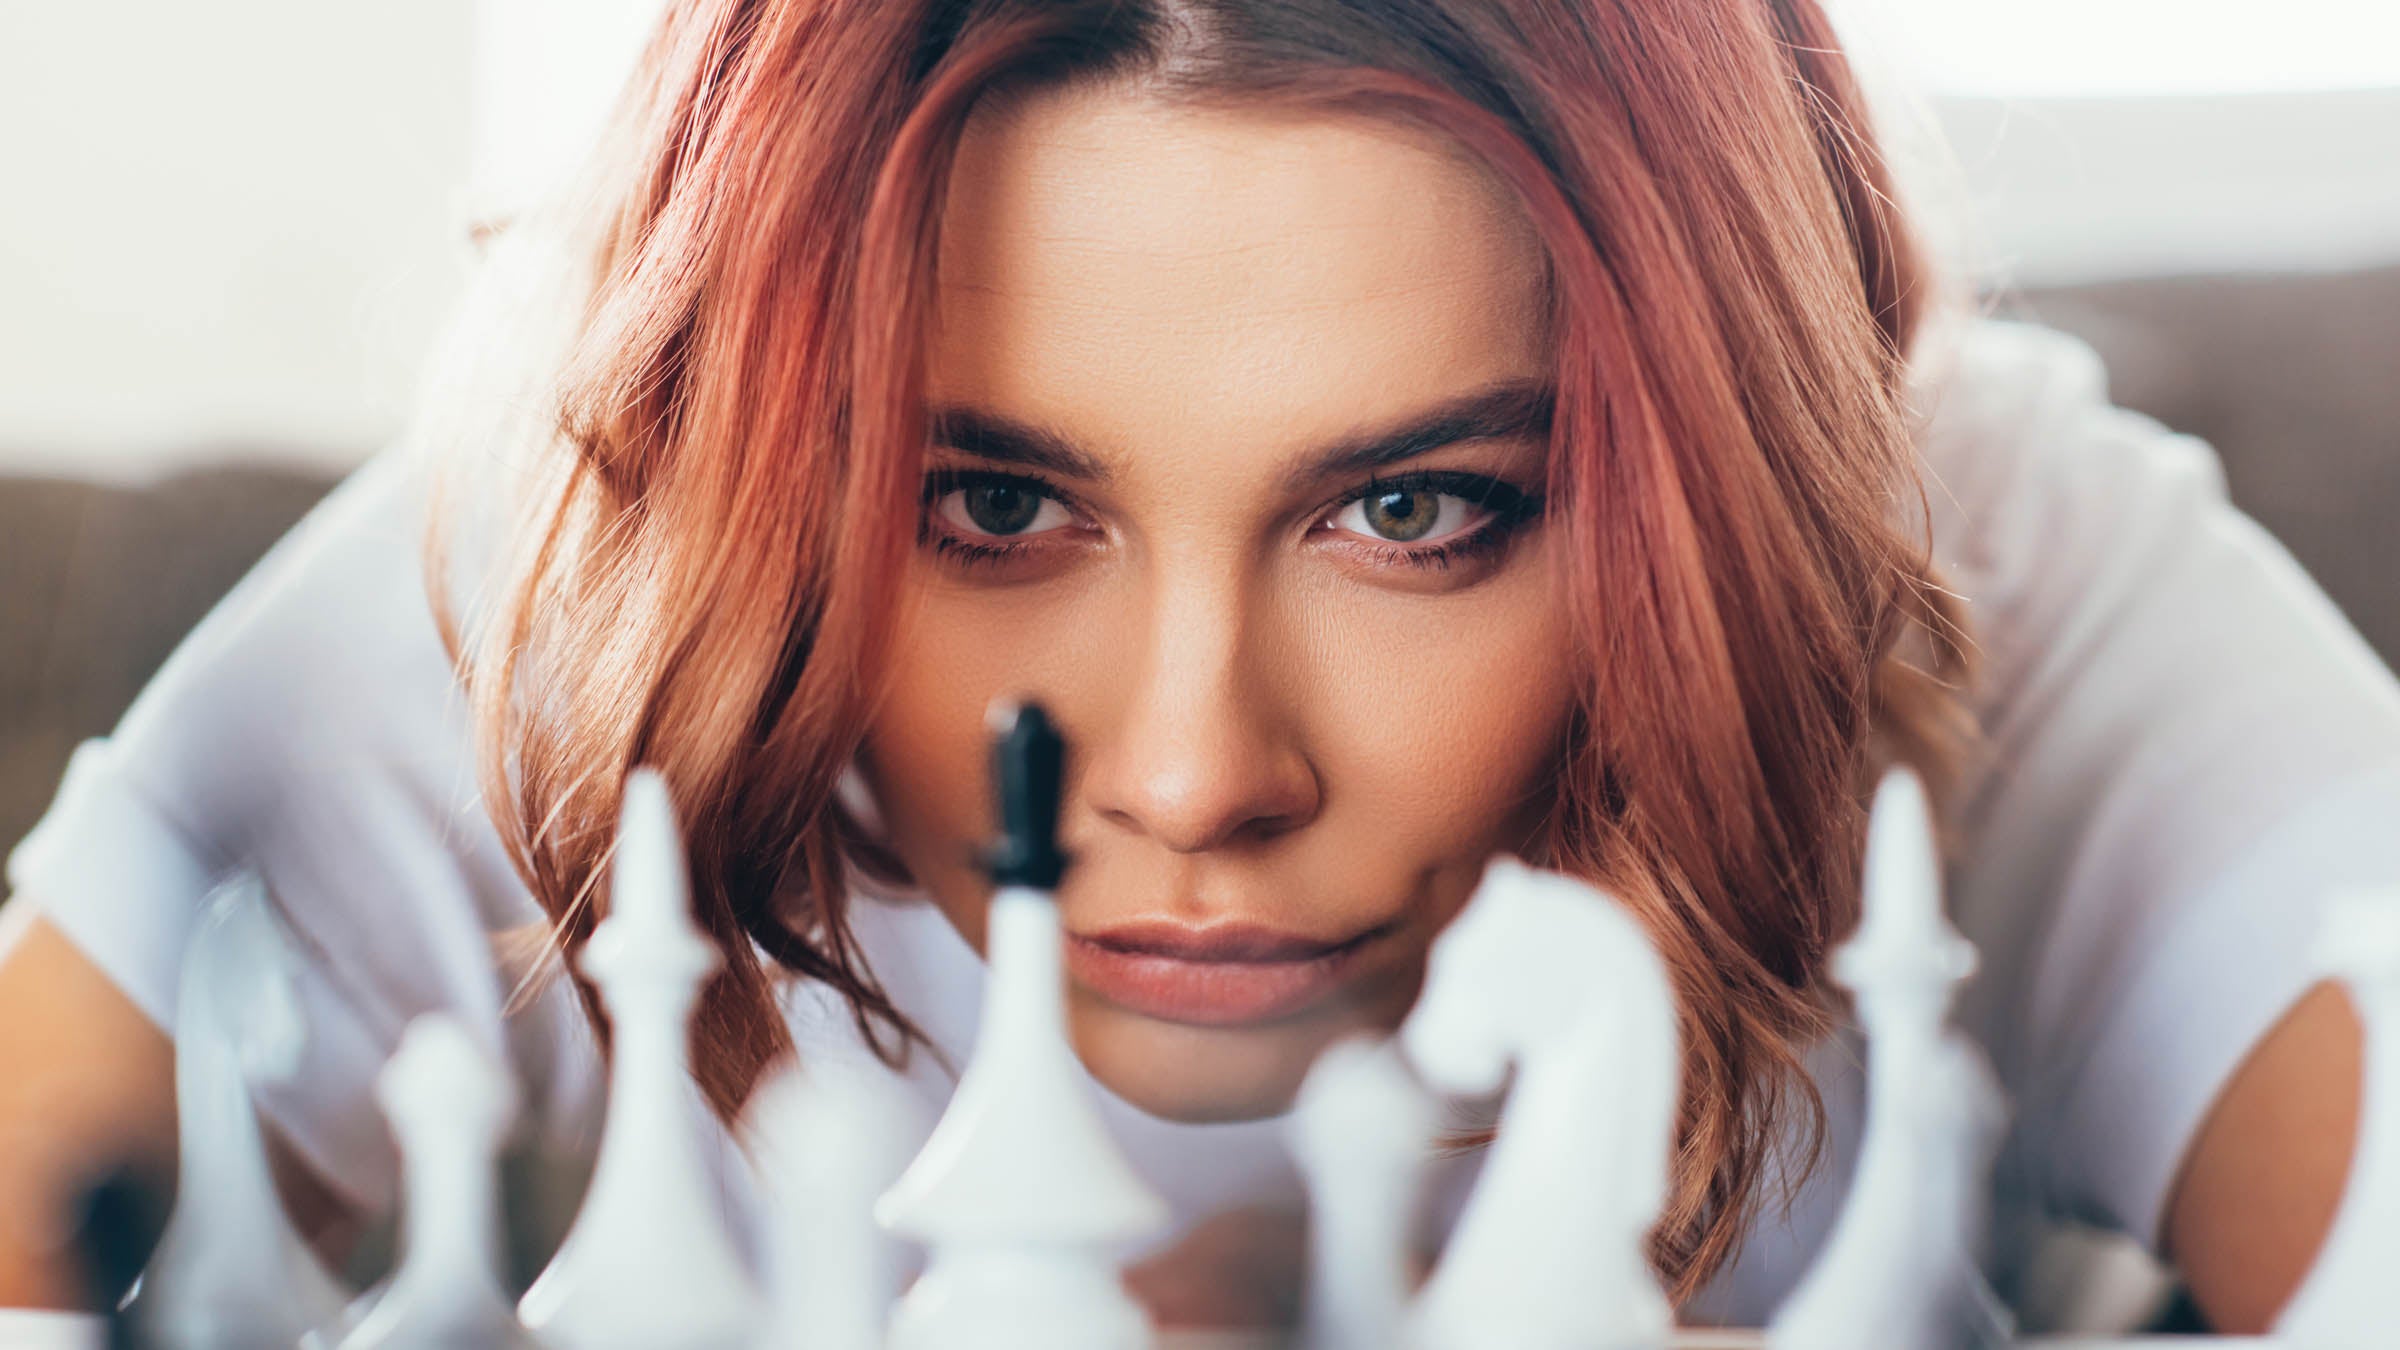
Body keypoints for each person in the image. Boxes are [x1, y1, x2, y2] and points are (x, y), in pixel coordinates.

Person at [3, 0, 2395, 1334]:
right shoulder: (606, 547)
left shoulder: (1955, 548)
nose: (1186, 772)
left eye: (1416, 512)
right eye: (998, 509)